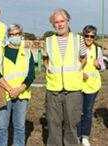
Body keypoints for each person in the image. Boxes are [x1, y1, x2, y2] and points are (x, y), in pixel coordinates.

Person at [43, 9, 87, 146]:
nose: (60, 24)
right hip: (54, 90)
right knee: (53, 125)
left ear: (67, 21)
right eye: (56, 22)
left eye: (62, 21)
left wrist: (79, 67)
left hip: (73, 90)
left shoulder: (78, 39)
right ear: (53, 25)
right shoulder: (48, 41)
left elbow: (83, 57)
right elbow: (45, 59)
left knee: (71, 125)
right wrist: (48, 68)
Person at [0, 24, 35, 146]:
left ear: (21, 35)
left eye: (17, 34)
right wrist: (10, 89)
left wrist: (20, 89)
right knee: (2, 127)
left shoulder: (27, 53)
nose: (15, 36)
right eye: (12, 34)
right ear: (8, 36)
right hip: (4, 94)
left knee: (20, 127)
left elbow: (31, 75)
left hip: (22, 95)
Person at [77, 25, 105, 146]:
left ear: (94, 37)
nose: (89, 38)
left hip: (92, 87)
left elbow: (103, 67)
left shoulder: (97, 50)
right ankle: (76, 135)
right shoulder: (77, 49)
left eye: (92, 36)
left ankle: (85, 136)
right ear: (83, 36)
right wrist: (80, 73)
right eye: (87, 35)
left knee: (87, 112)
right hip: (78, 85)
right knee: (77, 112)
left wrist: (98, 65)